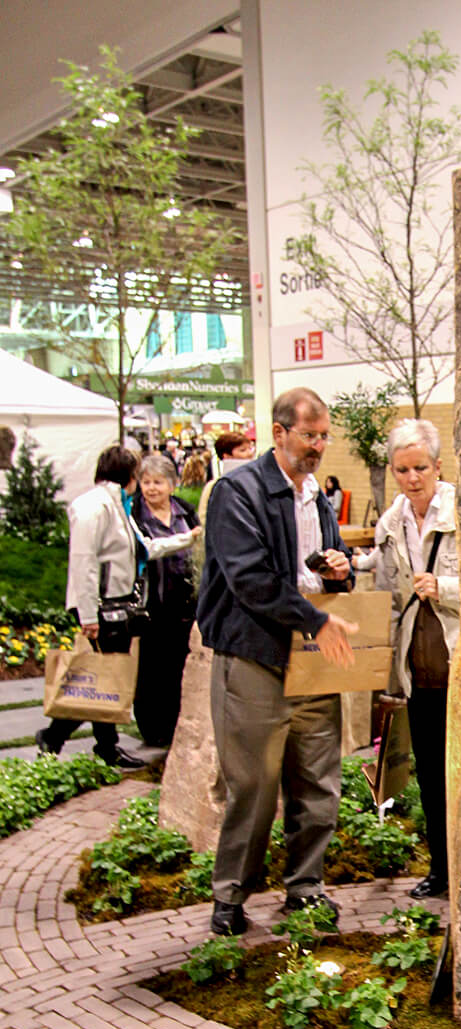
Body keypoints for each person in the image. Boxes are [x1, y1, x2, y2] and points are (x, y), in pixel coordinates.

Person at [196, 386, 358, 937]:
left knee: (318, 782)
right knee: (254, 787)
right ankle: (230, 896)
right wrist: (314, 619)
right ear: (279, 432)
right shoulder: (236, 492)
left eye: (324, 436)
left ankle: (305, 886)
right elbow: (250, 578)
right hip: (254, 658)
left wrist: (340, 571)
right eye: (309, 435)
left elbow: (324, 572)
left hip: (314, 661)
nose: (318, 446)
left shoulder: (317, 497)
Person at [36, 444, 196, 768]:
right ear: (129, 476)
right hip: (101, 607)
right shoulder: (94, 507)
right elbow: (83, 563)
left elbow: (143, 548)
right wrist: (88, 615)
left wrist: (188, 538)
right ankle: (61, 736)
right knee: (100, 676)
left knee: (107, 677)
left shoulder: (117, 505)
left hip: (115, 605)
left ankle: (101, 746)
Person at [374, 418, 459, 900]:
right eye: (402, 469)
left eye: (420, 468)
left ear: (437, 466)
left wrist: (443, 588)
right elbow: (386, 594)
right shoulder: (391, 524)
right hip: (419, 674)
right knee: (429, 778)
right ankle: (441, 869)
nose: (412, 478)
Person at [132, 453, 201, 748]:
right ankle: (152, 728)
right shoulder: (136, 515)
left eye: (158, 482)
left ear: (172, 485)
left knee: (179, 666)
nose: (151, 488)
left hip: (185, 602)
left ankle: (176, 725)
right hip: (153, 602)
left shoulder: (185, 512)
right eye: (146, 482)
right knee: (152, 668)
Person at [199, 430, 255, 523]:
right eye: (243, 450)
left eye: (250, 448)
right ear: (227, 456)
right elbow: (204, 518)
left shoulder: (258, 482)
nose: (250, 454)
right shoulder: (214, 486)